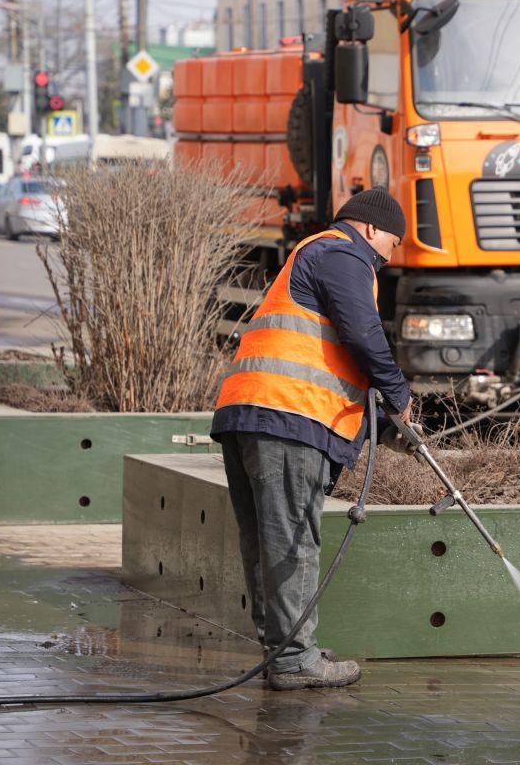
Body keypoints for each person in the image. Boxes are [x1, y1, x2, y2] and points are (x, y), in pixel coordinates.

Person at [211, 187, 415, 691]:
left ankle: (285, 648)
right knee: (294, 540)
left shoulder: (314, 255)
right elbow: (364, 336)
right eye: (391, 244)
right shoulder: (344, 254)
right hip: (287, 418)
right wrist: (399, 394)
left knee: (267, 541)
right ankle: (294, 659)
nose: (388, 258)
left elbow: (329, 362)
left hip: (251, 410)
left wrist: (386, 429)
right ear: (371, 229)